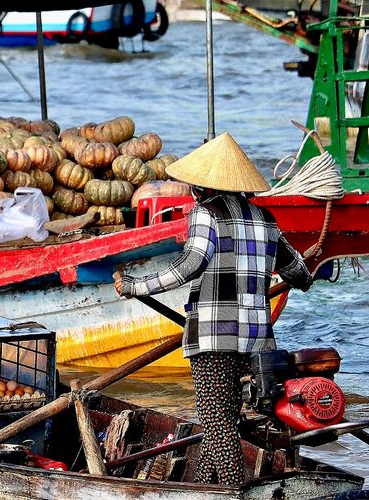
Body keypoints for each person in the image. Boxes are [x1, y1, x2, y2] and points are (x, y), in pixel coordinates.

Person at [113, 133, 313, 486]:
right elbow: (297, 271)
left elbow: (189, 266)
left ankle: (235, 491)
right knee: (223, 419)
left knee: (217, 421)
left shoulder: (205, 213)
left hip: (213, 335)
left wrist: (134, 286)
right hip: (255, 340)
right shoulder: (265, 218)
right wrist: (309, 274)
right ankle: (204, 488)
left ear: (202, 187)